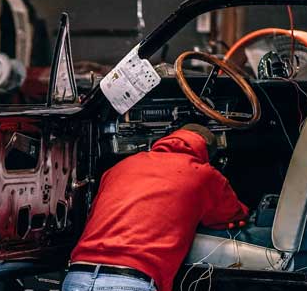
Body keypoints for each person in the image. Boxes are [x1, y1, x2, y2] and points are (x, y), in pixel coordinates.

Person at [62, 124, 249, 291]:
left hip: (77, 277)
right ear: (207, 153)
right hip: (130, 280)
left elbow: (93, 216)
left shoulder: (121, 166)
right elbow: (233, 215)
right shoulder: (204, 174)